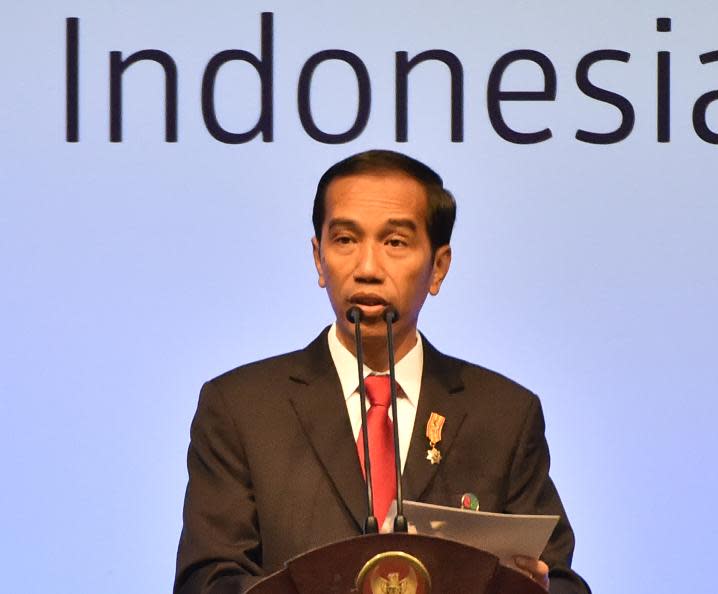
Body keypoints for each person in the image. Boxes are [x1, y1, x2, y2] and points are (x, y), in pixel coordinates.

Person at [174, 150, 590, 594]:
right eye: (346, 240)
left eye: (395, 242)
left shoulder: (503, 414)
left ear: (439, 266)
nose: (367, 269)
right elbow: (208, 580)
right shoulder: (242, 408)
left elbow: (562, 580)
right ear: (319, 258)